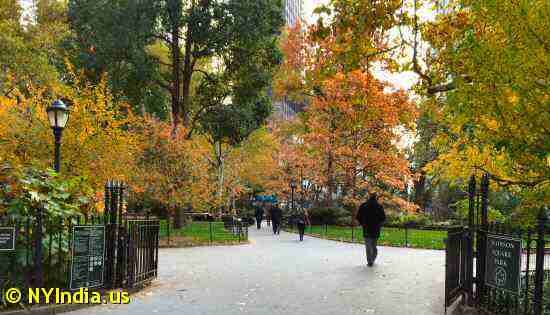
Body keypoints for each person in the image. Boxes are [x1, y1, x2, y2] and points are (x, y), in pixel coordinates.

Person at [356, 193, 386, 267]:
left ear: (369, 197)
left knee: (368, 245)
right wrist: (379, 224)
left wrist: (362, 223)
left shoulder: (363, 206)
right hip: (376, 229)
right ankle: (372, 258)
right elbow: (383, 218)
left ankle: (370, 261)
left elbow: (358, 217)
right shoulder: (379, 206)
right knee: (373, 245)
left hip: (366, 228)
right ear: (376, 198)